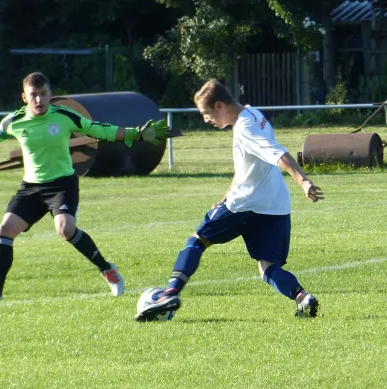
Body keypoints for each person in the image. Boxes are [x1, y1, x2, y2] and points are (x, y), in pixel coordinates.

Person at [0, 71, 169, 300]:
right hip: (31, 188)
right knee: (5, 230)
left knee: (65, 229)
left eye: (43, 93)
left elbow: (98, 129)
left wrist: (136, 133)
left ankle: (108, 270)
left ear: (50, 94)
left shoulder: (64, 115)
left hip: (62, 184)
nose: (39, 99)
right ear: (24, 97)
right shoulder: (15, 121)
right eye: (33, 94)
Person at [135, 78, 324, 321]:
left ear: (220, 106)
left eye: (206, 113)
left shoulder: (246, 128)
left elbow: (278, 153)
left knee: (198, 240)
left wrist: (304, 181)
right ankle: (302, 297)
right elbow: (247, 165)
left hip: (245, 204)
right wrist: (224, 196)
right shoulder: (253, 113)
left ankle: (169, 293)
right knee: (268, 267)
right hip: (275, 205)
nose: (206, 119)